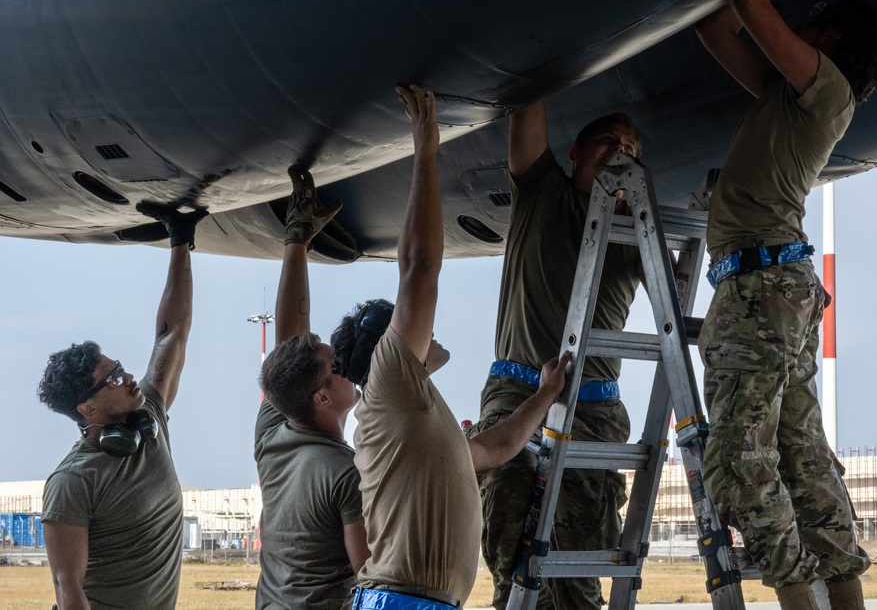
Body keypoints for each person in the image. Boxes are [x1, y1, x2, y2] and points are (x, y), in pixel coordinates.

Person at [694, 0, 877, 610]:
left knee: (738, 461)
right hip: (771, 285)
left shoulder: (828, 90)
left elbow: (753, 8)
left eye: (812, 26)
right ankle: (841, 593)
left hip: (761, 287)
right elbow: (715, 28)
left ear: (832, 39)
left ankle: (797, 596)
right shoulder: (788, 96)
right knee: (799, 455)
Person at [329, 85, 572, 610]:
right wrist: (425, 152)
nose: (427, 331)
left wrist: (545, 396)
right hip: (403, 601)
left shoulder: (415, 421)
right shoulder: (390, 383)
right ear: (387, 344)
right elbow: (420, 269)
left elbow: (493, 449)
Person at [470, 98, 645, 609]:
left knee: (581, 566)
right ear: (576, 154)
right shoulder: (542, 191)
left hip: (594, 407)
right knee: (510, 536)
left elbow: (672, 302)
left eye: (631, 149)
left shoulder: (637, 235)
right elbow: (529, 103)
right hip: (518, 389)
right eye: (608, 142)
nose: (621, 152)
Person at [38, 203, 206, 610]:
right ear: (88, 409)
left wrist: (180, 240)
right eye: (112, 380)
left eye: (121, 369)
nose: (129, 378)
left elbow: (172, 335)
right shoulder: (72, 482)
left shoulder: (148, 416)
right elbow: (68, 590)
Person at [254, 167, 368, 610]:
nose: (345, 366)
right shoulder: (345, 472)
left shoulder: (275, 429)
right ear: (320, 397)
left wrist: (296, 240)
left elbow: (289, 341)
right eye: (336, 365)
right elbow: (372, 574)